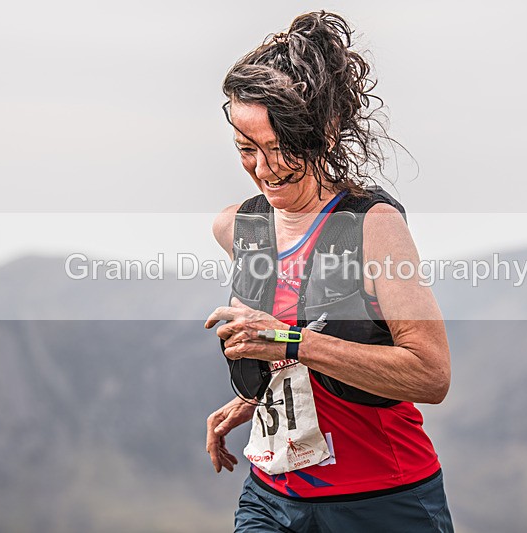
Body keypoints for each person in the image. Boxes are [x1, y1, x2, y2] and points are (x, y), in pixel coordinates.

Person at [204, 11, 453, 532]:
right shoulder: (237, 227)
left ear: (327, 131)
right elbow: (302, 337)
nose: (265, 168)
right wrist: (256, 395)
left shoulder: (372, 227)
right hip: (270, 496)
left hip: (382, 501)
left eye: (281, 148)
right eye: (247, 150)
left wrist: (289, 343)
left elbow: (431, 374)